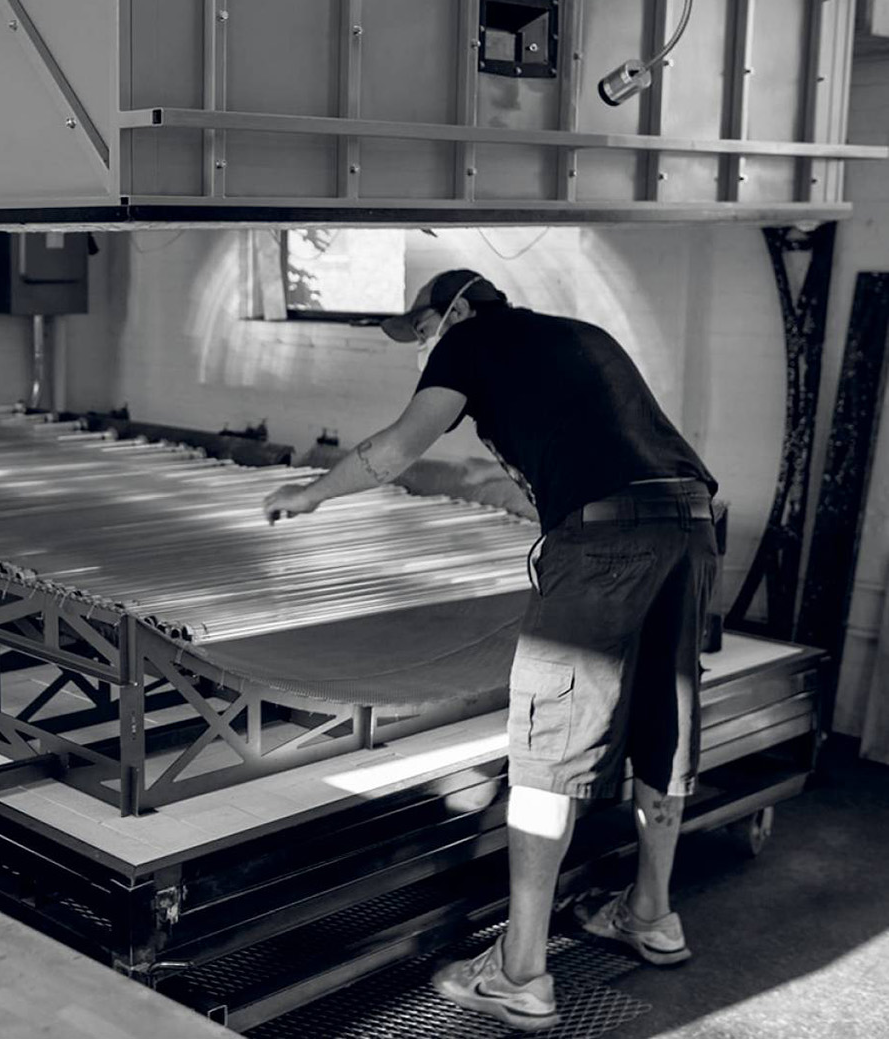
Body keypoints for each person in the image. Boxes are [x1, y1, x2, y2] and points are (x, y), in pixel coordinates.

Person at [262, 269, 719, 1033]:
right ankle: (650, 913)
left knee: (546, 747)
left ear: (461, 309)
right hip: (690, 521)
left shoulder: (472, 340)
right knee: (660, 729)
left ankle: (520, 972)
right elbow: (605, 440)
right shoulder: (577, 336)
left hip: (605, 540)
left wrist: (311, 491)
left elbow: (397, 448)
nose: (424, 346)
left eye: (424, 330)